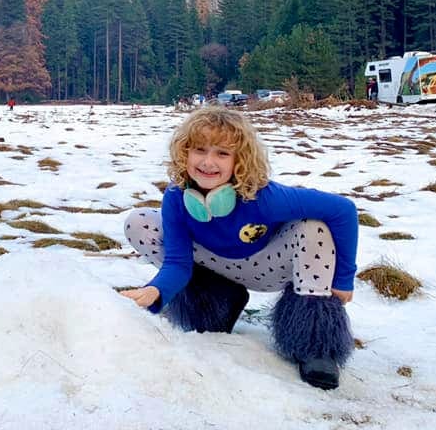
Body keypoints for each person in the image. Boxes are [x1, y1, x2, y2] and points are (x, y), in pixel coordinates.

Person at [121, 105, 358, 390]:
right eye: (200, 150)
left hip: (269, 266)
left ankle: (316, 346)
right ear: (185, 152)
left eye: (222, 153)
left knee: (313, 228)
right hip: (214, 266)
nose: (208, 162)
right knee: (140, 222)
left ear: (240, 160)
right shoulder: (176, 197)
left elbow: (343, 210)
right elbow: (177, 262)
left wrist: (344, 279)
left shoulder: (266, 196)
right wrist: (155, 291)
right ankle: (218, 302)